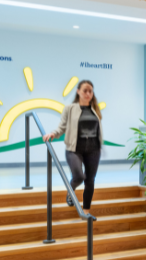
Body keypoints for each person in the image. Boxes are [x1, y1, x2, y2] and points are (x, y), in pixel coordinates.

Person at [43, 80, 103, 215]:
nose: (88, 94)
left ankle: (86, 211)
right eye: (85, 91)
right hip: (74, 149)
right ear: (78, 92)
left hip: (93, 149)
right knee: (79, 176)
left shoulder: (95, 109)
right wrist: (53, 133)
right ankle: (71, 191)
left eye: (90, 91)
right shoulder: (70, 108)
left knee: (90, 180)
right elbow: (62, 126)